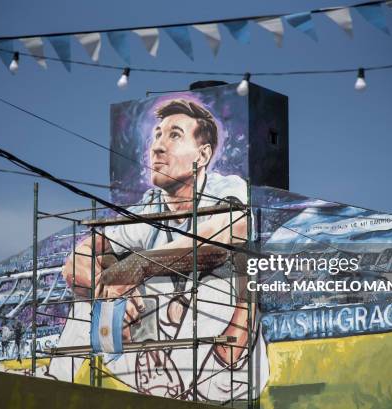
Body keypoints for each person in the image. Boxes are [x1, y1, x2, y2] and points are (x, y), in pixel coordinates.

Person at [49, 99, 268, 401]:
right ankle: (51, 383)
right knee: (101, 271)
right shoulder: (149, 208)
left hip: (224, 370)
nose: (157, 146)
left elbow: (229, 230)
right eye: (157, 134)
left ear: (202, 155)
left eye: (174, 135)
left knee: (218, 270)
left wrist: (138, 266)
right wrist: (109, 292)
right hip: (159, 359)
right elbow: (75, 264)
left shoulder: (225, 188)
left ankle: (183, 377)